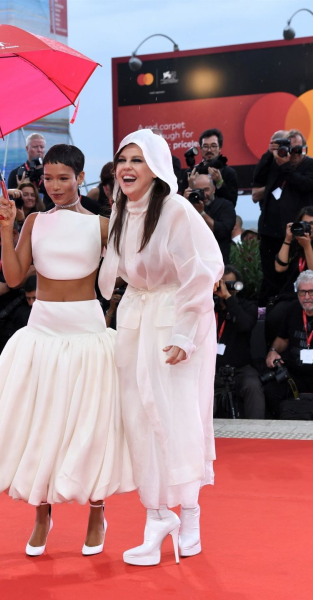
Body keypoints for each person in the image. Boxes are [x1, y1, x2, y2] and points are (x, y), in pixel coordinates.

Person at [0, 144, 134, 557]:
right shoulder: (33, 220)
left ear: (80, 178)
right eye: (48, 178)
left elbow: (123, 275)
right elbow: (14, 279)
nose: (54, 186)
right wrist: (6, 226)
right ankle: (41, 512)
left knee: (92, 424)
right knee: (41, 424)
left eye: (63, 178)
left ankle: (97, 509)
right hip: (42, 331)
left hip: (88, 330)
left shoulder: (104, 225)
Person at [99, 129, 224, 566]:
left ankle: (189, 515)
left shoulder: (175, 209)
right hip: (136, 320)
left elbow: (204, 269)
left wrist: (184, 333)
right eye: (122, 160)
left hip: (175, 322)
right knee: (138, 416)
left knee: (177, 415)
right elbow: (113, 275)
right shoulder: (120, 211)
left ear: (155, 167)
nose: (127, 168)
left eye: (137, 159)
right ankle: (156, 516)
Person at [254, 129, 313, 304]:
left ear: (304, 149)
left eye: (297, 149)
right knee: (270, 273)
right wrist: (269, 153)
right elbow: (257, 177)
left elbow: (306, 185)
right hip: (270, 230)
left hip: (297, 232)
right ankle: (273, 305)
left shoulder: (309, 165)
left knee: (293, 274)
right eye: (289, 148)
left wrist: (285, 167)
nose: (293, 154)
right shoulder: (275, 161)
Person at [214, 266, 265, 419]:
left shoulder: (248, 306)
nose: (225, 288)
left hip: (240, 369)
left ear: (238, 286)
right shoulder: (209, 307)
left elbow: (244, 325)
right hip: (213, 369)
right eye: (222, 284)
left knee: (253, 386)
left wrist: (229, 298)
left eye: (229, 284)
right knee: (201, 387)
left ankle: (256, 432)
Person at [264, 270, 313, 417]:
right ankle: (284, 427)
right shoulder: (292, 309)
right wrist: (273, 350)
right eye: (302, 293)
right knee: (270, 391)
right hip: (295, 372)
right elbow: (283, 338)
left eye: (311, 292)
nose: (307, 297)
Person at [265, 207, 313, 347]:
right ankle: (273, 355)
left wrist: (307, 246)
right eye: (305, 224)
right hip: (292, 295)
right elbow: (280, 267)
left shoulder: (306, 245)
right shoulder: (293, 245)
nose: (309, 227)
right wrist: (287, 239)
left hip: (311, 293)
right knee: (274, 318)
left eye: (311, 224)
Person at [184, 173, 236, 263]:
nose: (203, 194)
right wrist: (184, 203)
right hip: (194, 260)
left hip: (218, 260)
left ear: (214, 189)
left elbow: (222, 231)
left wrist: (201, 213)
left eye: (206, 190)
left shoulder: (226, 205)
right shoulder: (187, 206)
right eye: (199, 190)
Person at [182, 128, 239, 207]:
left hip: (220, 216)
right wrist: (191, 186)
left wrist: (220, 182)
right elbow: (183, 205)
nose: (209, 150)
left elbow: (232, 203)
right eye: (205, 146)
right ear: (201, 149)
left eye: (213, 146)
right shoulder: (191, 173)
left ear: (220, 148)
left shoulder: (229, 173)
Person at [7, 132, 51, 206]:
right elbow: (12, 202)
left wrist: (49, 184)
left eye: (42, 147)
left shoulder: (50, 172)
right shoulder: (16, 173)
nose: (39, 150)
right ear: (27, 149)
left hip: (48, 213)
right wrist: (20, 187)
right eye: (35, 147)